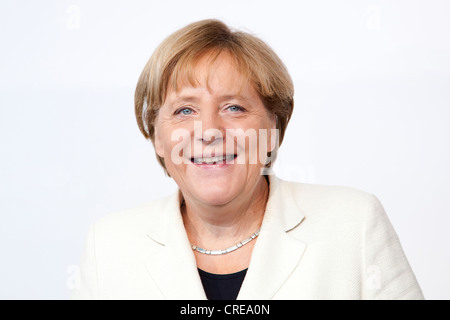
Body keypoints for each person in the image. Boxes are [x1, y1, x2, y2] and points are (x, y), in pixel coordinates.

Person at [71, 19, 424, 300]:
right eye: (185, 110)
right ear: (158, 137)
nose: (209, 130)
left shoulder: (354, 224)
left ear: (273, 126)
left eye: (234, 107)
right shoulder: (109, 246)